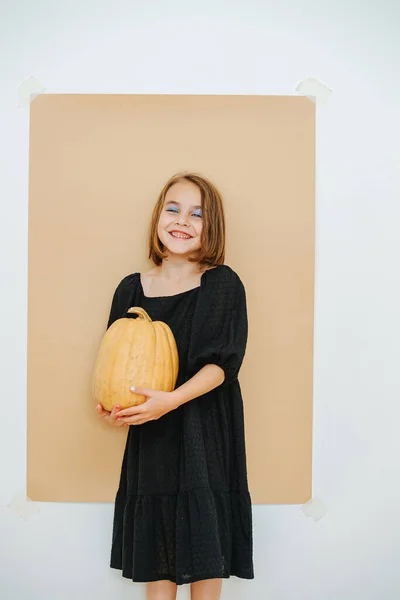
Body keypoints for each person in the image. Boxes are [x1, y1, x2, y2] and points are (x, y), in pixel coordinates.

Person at [95, 172, 254, 600]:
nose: (182, 220)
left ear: (212, 226)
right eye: (173, 208)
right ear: (158, 217)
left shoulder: (222, 283)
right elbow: (118, 361)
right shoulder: (131, 288)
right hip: (154, 437)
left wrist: (171, 401)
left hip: (206, 431)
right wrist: (115, 403)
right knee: (158, 545)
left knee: (205, 541)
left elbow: (222, 365)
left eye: (197, 214)